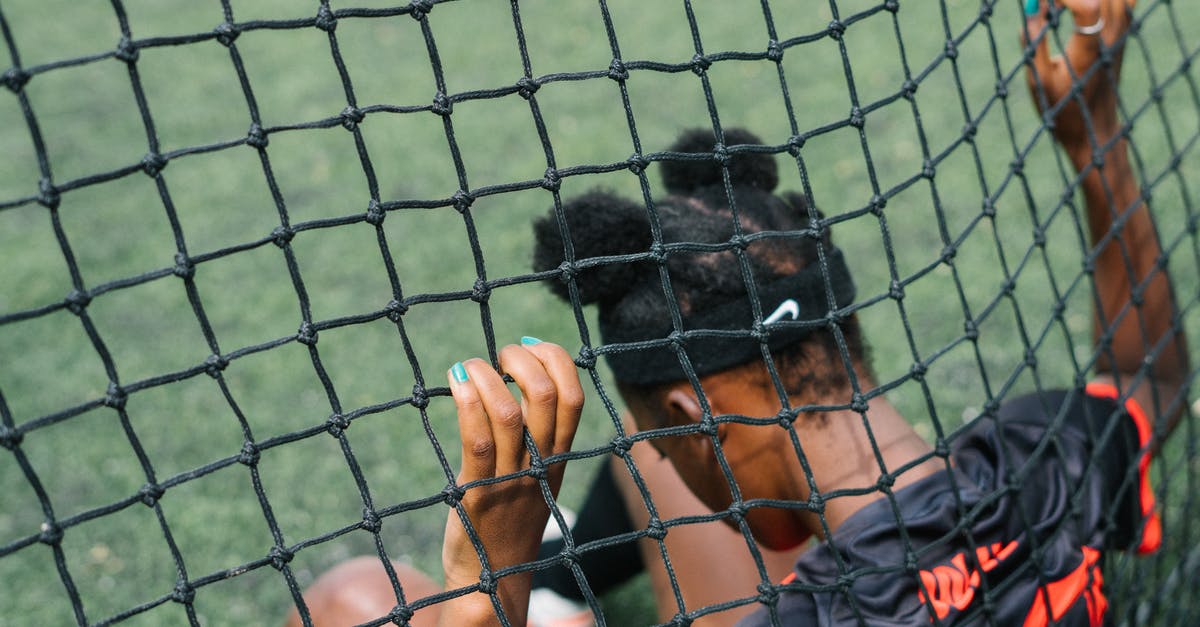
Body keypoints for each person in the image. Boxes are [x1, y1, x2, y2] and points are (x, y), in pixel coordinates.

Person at [284, 0, 1190, 624]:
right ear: (845, 337)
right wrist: (1091, 124)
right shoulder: (1043, 461)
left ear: (695, 411)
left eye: (671, 426)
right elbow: (1152, 374)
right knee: (658, 463)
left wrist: (493, 584)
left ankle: (548, 580)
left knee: (356, 600)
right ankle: (570, 570)